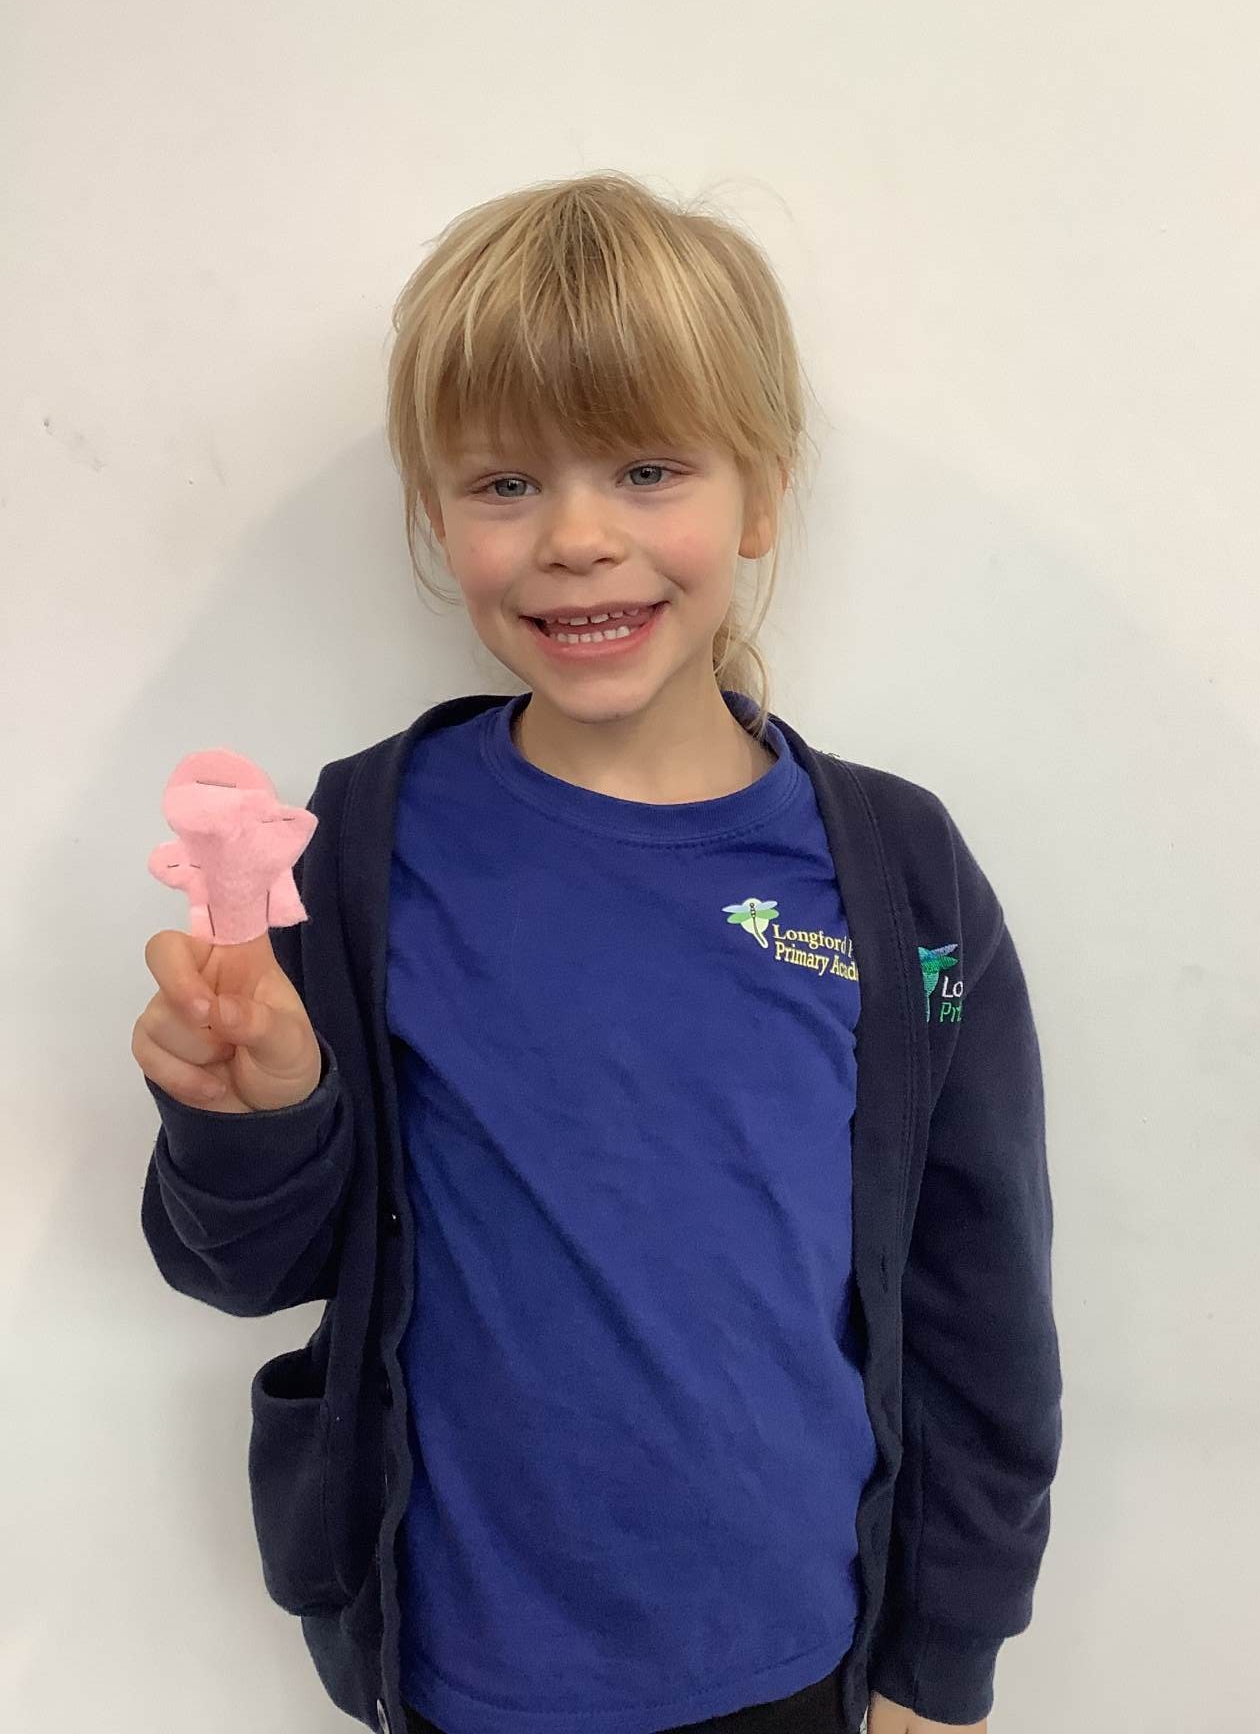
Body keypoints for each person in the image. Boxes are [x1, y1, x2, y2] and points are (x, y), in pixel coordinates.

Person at [132, 171, 1062, 1734]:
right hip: (465, 1675)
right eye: (505, 482)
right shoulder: (359, 843)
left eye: (646, 468)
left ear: (760, 496)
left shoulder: (901, 877)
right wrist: (252, 1117)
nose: (576, 537)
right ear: (436, 515)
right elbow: (246, 1269)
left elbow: (982, 1287)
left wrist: (945, 1662)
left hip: (795, 1659)